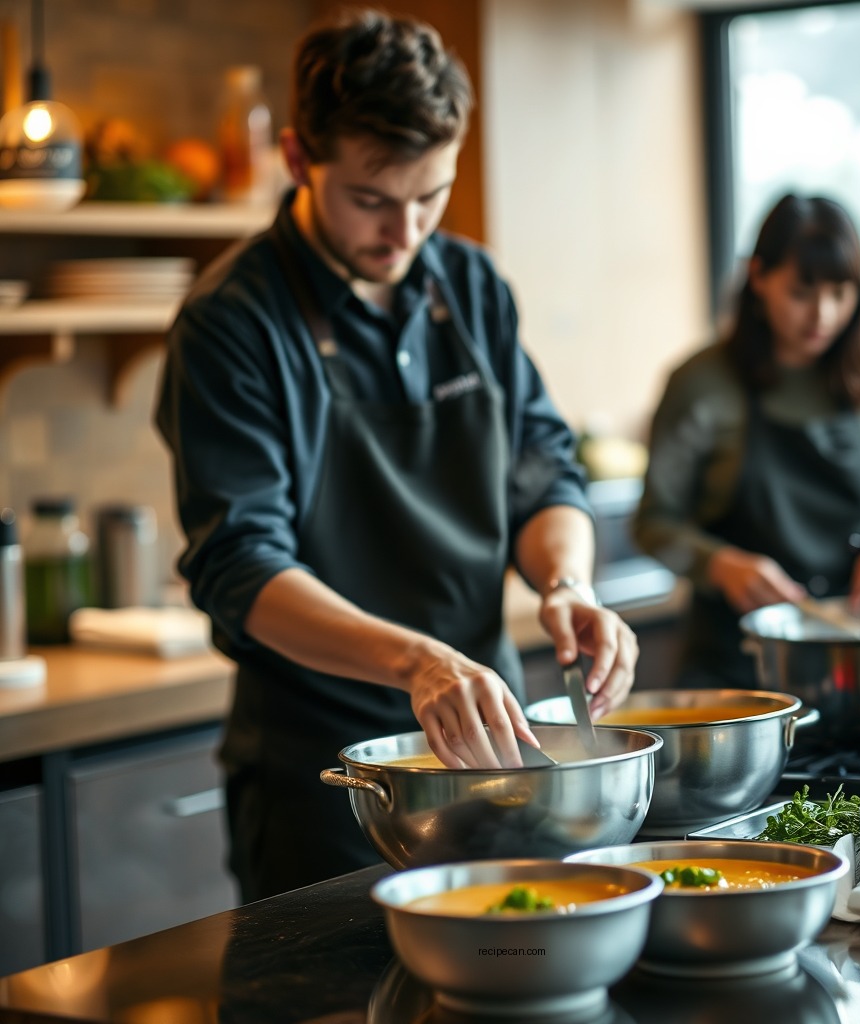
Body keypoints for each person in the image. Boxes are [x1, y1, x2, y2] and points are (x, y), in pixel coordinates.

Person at [155, 9, 638, 903]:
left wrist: (567, 584)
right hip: (325, 778)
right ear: (301, 161)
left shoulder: (473, 287)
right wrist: (419, 663)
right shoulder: (232, 323)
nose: (405, 230)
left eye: (431, 196)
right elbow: (241, 565)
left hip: (496, 754)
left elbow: (542, 469)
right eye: (373, 200)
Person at [633, 193, 860, 689]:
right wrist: (721, 566)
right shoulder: (699, 384)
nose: (823, 315)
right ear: (759, 277)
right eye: (802, 292)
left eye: (841, 292)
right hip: (740, 674)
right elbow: (654, 523)